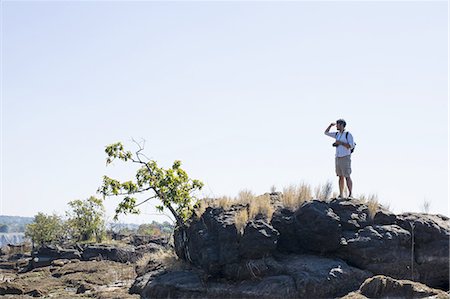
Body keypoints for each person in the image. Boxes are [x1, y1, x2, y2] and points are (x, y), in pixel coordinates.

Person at [324, 119, 355, 199]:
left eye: (337, 125)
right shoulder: (337, 134)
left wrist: (340, 143)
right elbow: (326, 133)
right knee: (340, 176)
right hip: (338, 157)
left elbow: (350, 146)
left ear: (341, 125)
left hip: (345, 157)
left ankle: (350, 194)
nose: (336, 126)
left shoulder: (348, 134)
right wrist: (330, 126)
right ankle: (341, 194)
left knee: (347, 175)